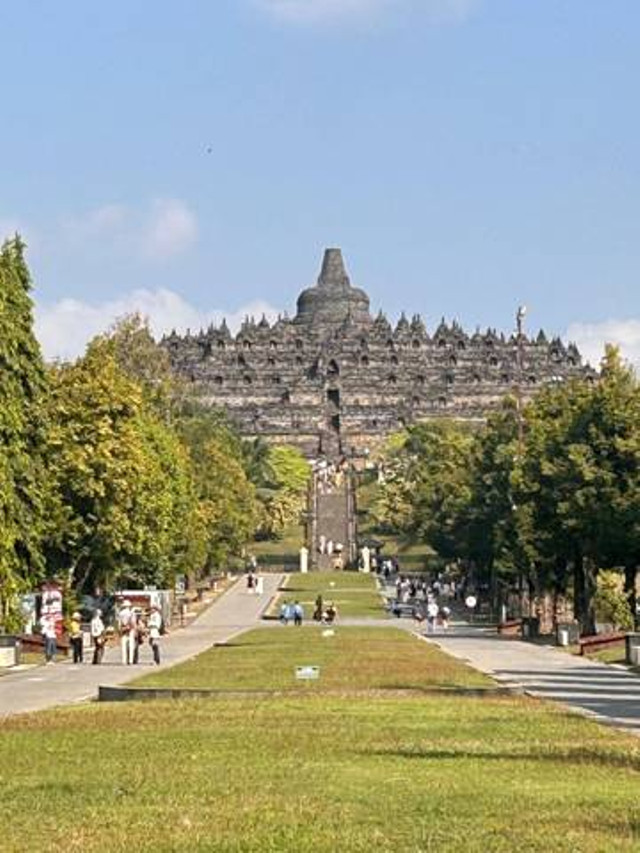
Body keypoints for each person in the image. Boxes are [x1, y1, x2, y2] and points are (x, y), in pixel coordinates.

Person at [118, 599, 136, 665]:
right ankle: (130, 660)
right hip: (130, 630)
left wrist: (120, 630)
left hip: (123, 629)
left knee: (124, 646)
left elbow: (119, 623)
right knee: (131, 646)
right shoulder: (132, 613)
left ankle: (124, 660)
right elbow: (133, 623)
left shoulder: (121, 613)